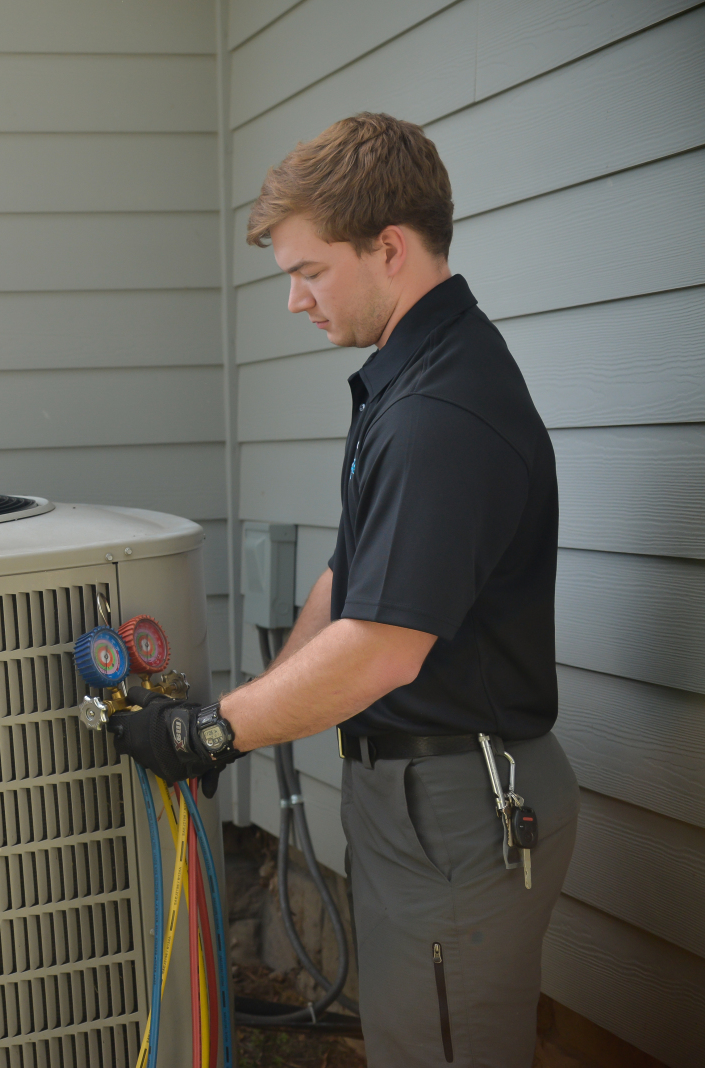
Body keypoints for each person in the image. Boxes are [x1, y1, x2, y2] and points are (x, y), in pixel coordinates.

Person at [110, 114, 577, 1067]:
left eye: (311, 272)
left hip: (457, 802)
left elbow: (380, 648)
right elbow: (349, 579)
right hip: (423, 797)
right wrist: (244, 717)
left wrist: (209, 734)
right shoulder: (410, 381)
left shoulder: (441, 411)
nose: (295, 301)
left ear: (389, 249)